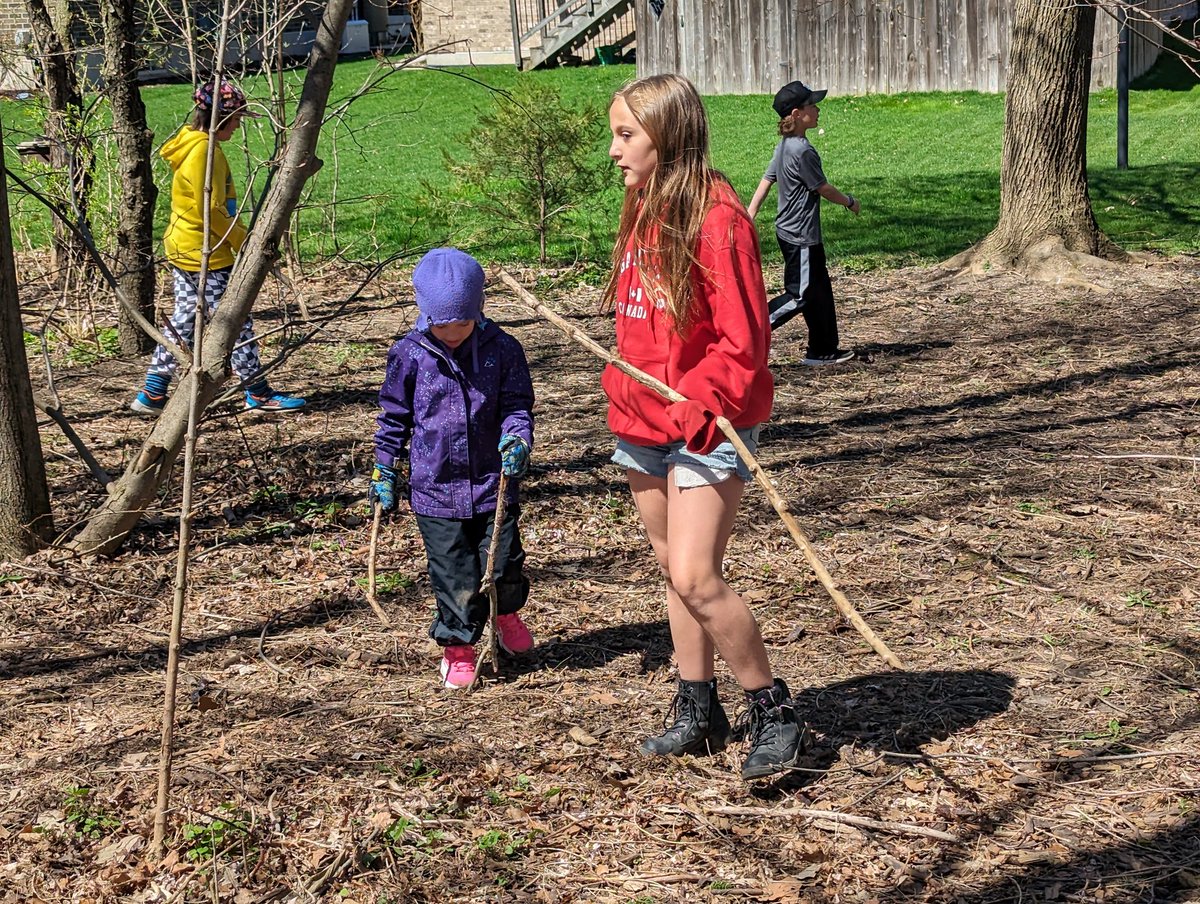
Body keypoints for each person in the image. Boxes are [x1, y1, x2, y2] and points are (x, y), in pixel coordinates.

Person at [605, 73, 810, 780]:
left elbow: (745, 341)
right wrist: (625, 382)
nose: (614, 150)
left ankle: (775, 710)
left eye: (626, 134)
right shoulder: (641, 204)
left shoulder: (721, 220)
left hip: (705, 422)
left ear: (669, 134)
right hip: (641, 417)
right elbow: (644, 318)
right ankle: (698, 707)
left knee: (697, 574)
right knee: (671, 569)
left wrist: (700, 396)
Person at [369, 247, 536, 689]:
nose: (453, 332)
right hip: (434, 488)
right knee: (453, 573)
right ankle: (458, 647)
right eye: (443, 324)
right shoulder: (410, 354)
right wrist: (385, 468)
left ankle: (505, 613)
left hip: (492, 482)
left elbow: (518, 406)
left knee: (502, 561)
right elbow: (393, 416)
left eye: (462, 321)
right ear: (426, 315)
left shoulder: (502, 350)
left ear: (478, 309)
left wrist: (517, 438)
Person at [131, 78, 306, 415]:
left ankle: (152, 393)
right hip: (203, 251)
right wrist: (246, 242)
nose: (239, 125)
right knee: (234, 320)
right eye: (237, 118)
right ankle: (257, 392)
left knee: (185, 318)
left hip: (189, 246)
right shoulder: (202, 153)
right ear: (219, 119)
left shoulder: (198, 146)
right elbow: (209, 209)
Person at [747, 80, 859, 365]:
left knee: (819, 292)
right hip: (800, 236)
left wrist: (749, 215)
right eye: (812, 105)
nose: (817, 109)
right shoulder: (802, 151)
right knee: (799, 295)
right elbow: (823, 188)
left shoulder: (785, 146)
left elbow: (766, 180)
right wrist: (849, 201)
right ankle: (747, 336)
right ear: (797, 114)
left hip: (792, 233)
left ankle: (822, 350)